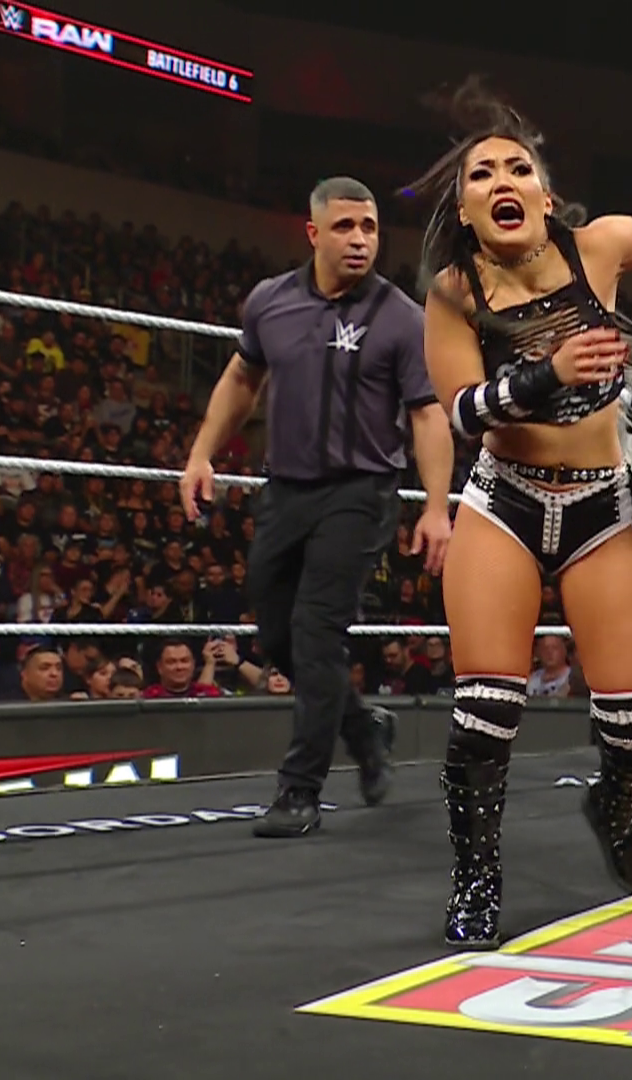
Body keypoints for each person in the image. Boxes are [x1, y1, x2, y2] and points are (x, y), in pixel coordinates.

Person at [413, 81, 632, 949]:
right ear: (466, 208)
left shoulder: (595, 248)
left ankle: (617, 806)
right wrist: (547, 374)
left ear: (544, 193)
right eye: (482, 173)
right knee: (485, 709)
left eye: (516, 167)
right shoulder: (452, 291)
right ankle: (476, 879)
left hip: (600, 504)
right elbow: (461, 412)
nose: (502, 179)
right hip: (505, 502)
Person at [180, 176, 455, 839]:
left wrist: (436, 507)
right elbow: (242, 376)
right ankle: (362, 728)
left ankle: (299, 789)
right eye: (344, 227)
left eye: (369, 227)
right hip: (285, 488)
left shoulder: (400, 316)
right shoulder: (270, 301)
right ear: (314, 233)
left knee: (316, 631)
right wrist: (202, 453)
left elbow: (427, 414)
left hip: (361, 492)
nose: (360, 239)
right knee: (276, 633)